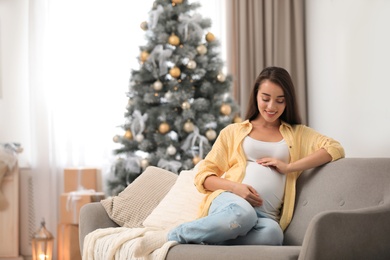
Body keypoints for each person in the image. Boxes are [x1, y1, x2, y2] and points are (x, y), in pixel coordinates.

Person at [134, 66, 345, 256]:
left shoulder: (298, 134)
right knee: (243, 213)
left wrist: (289, 167)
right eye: (266, 98)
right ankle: (172, 235)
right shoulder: (233, 132)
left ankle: (207, 240)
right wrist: (236, 188)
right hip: (231, 204)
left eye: (280, 100)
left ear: (287, 101)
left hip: (265, 217)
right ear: (255, 96)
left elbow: (334, 148)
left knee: (274, 235)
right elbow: (203, 176)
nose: (272, 106)